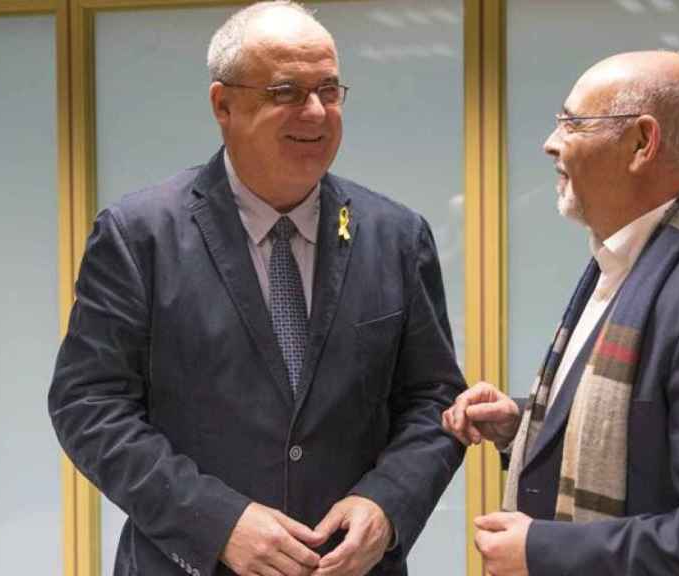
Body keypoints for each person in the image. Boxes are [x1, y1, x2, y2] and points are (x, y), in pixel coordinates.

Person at [49, 3, 465, 575]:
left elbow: (434, 400)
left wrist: (388, 504)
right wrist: (217, 522)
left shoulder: (395, 235)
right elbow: (89, 405)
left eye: (329, 89)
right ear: (223, 104)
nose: (315, 112)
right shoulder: (139, 235)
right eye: (286, 91)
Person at [443, 51, 679, 575]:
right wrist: (525, 425)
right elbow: (650, 429)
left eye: (572, 124)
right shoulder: (636, 251)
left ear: (642, 143)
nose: (551, 143)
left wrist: (542, 552)